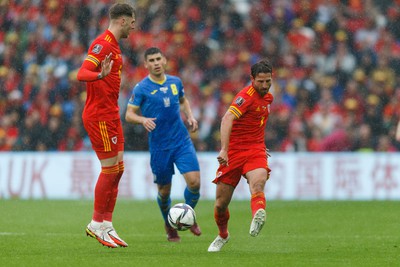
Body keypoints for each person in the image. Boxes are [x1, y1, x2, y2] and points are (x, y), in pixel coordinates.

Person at [125, 47, 201, 242]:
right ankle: (169, 224)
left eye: (159, 59)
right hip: (159, 146)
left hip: (181, 141)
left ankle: (187, 215)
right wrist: (142, 120)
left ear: (165, 60)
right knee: (164, 191)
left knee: (194, 183)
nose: (156, 63)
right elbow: (129, 114)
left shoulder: (176, 82)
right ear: (146, 64)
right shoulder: (141, 88)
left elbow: (183, 101)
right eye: (151, 60)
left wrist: (190, 116)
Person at [76, 2, 136, 248]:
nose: (134, 26)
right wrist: (99, 75)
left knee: (119, 169)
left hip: (111, 114)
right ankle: (95, 224)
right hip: (99, 115)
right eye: (132, 22)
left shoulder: (115, 45)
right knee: (110, 169)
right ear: (122, 21)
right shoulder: (102, 44)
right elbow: (82, 73)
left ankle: (107, 224)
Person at [207, 59, 274, 252]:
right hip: (234, 153)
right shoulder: (245, 97)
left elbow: (257, 123)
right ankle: (223, 235)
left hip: (255, 149)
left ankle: (258, 213)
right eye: (260, 81)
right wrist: (224, 150)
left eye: (268, 81)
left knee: (258, 182)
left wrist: (260, 145)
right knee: (220, 204)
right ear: (252, 79)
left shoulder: (268, 98)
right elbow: (227, 118)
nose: (264, 86)